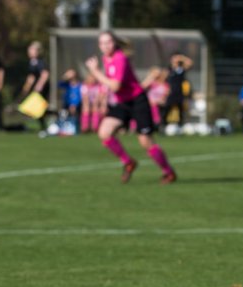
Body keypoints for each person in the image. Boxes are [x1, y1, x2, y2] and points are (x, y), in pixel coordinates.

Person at [85, 30, 177, 184]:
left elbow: (115, 85)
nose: (105, 46)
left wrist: (95, 72)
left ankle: (168, 172)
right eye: (102, 43)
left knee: (145, 141)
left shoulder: (120, 58)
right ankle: (128, 162)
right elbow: (112, 85)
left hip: (137, 101)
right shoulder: (105, 58)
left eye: (108, 42)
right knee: (104, 132)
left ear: (114, 43)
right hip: (123, 103)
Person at [18, 40, 50, 132]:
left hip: (42, 88)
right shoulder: (32, 62)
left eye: (32, 50)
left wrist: (39, 85)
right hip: (36, 89)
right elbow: (31, 77)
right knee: (34, 108)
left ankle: (47, 123)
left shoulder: (41, 62)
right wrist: (26, 88)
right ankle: (43, 126)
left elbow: (45, 74)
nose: (30, 52)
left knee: (38, 108)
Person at [164, 53, 193, 127]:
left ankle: (180, 126)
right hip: (171, 92)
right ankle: (163, 125)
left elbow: (190, 63)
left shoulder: (181, 69)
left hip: (179, 92)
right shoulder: (169, 69)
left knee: (180, 109)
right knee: (167, 108)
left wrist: (182, 58)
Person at [80, 70, 107, 134]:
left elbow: (101, 96)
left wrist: (96, 103)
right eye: (91, 77)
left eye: (94, 78)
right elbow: (85, 98)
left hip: (98, 103)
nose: (93, 79)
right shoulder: (84, 86)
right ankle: (85, 127)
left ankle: (95, 127)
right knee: (86, 107)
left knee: (96, 108)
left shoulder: (100, 86)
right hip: (88, 103)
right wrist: (90, 105)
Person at [58, 68, 82, 133]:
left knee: (75, 116)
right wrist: (65, 76)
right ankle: (62, 128)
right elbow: (59, 84)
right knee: (63, 115)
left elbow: (80, 97)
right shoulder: (66, 85)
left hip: (77, 105)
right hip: (66, 105)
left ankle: (76, 128)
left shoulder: (80, 85)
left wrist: (74, 104)